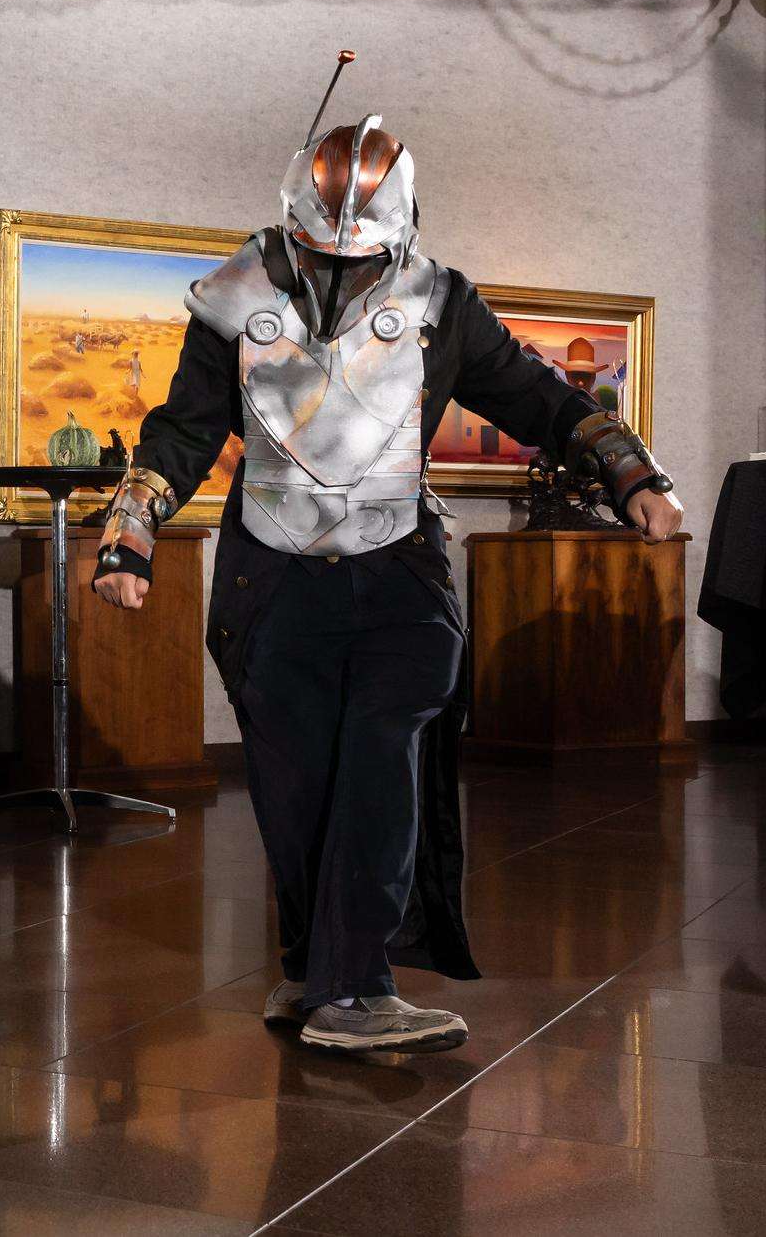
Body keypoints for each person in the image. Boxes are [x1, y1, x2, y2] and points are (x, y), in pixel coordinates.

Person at [91, 92, 681, 1054]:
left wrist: (631, 474)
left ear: (399, 225)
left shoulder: (442, 302)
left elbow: (537, 397)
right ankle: (311, 976)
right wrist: (131, 534)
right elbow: (185, 427)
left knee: (381, 765)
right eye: (321, 248)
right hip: (269, 577)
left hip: (400, 574)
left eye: (357, 251)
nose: (337, 265)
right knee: (293, 785)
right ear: (294, 213)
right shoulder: (233, 298)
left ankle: (356, 988)